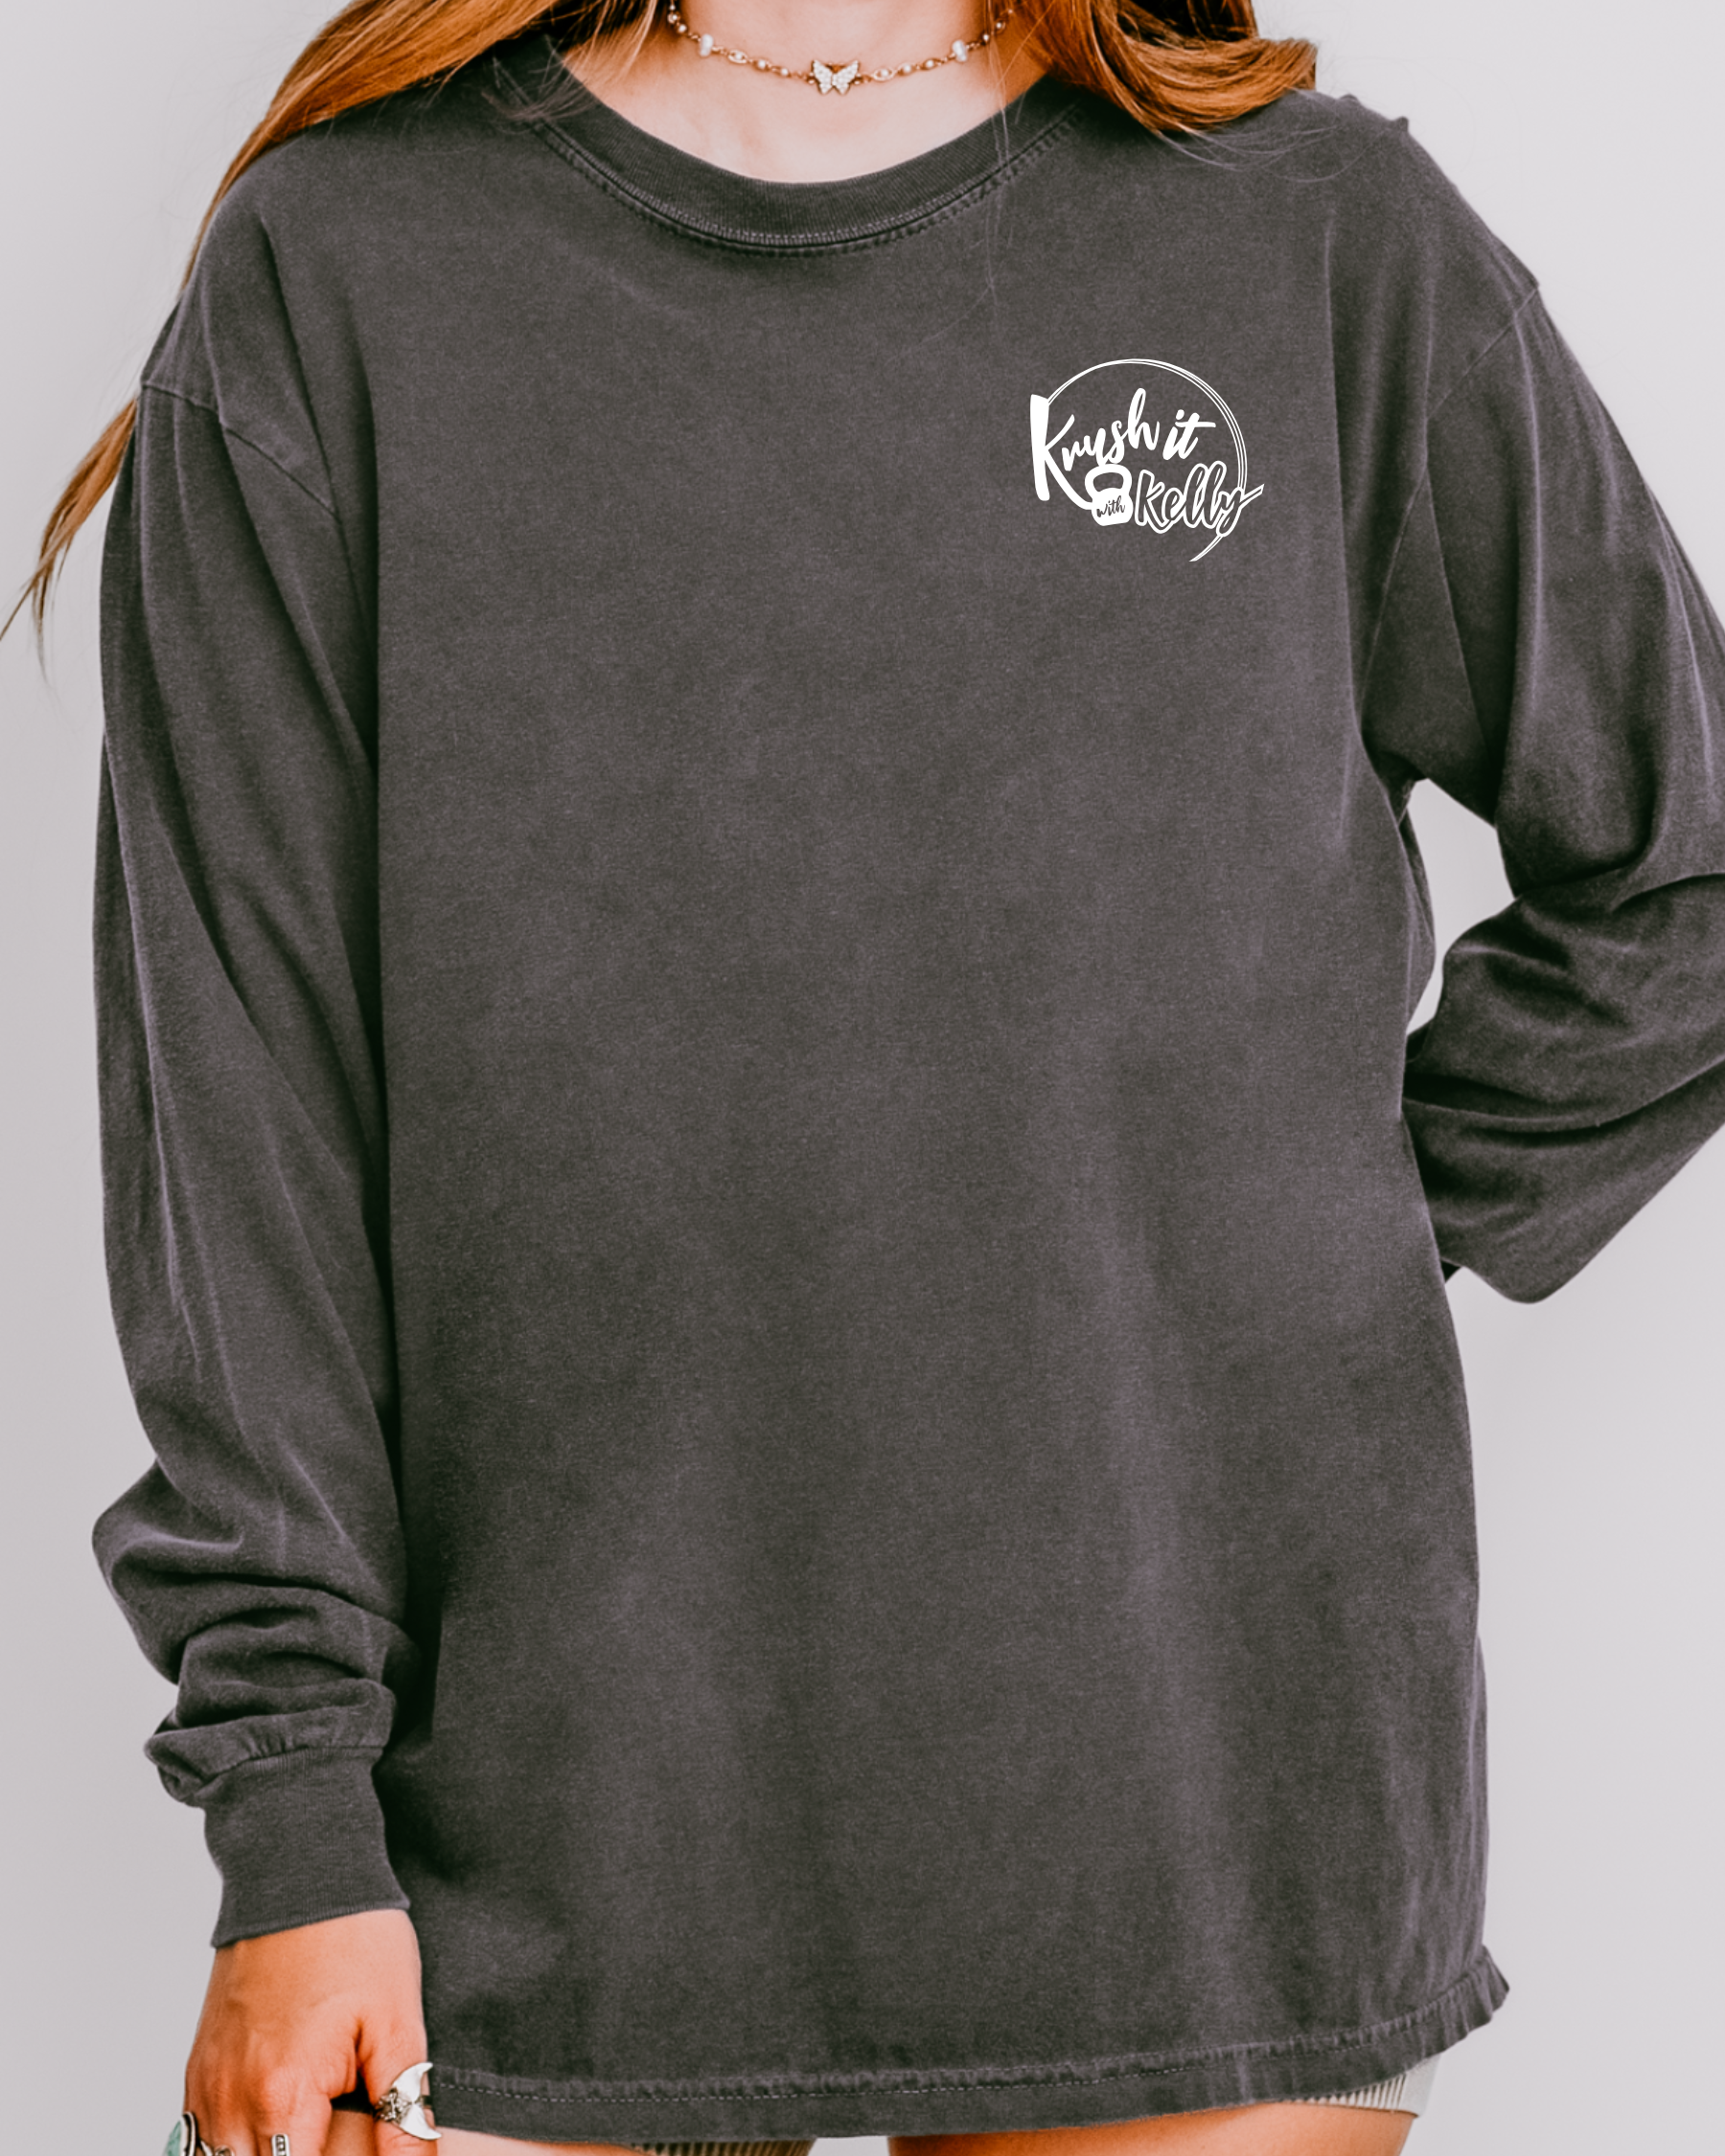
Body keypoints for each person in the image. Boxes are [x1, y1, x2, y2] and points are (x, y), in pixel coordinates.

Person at [17, 1, 1725, 2152]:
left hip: (1197, 1802)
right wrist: (289, 1809)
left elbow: (1685, 875)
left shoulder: (1313, 231)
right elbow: (240, 1117)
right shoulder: (339, 270)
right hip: (536, 1824)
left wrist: (1306, 1229)